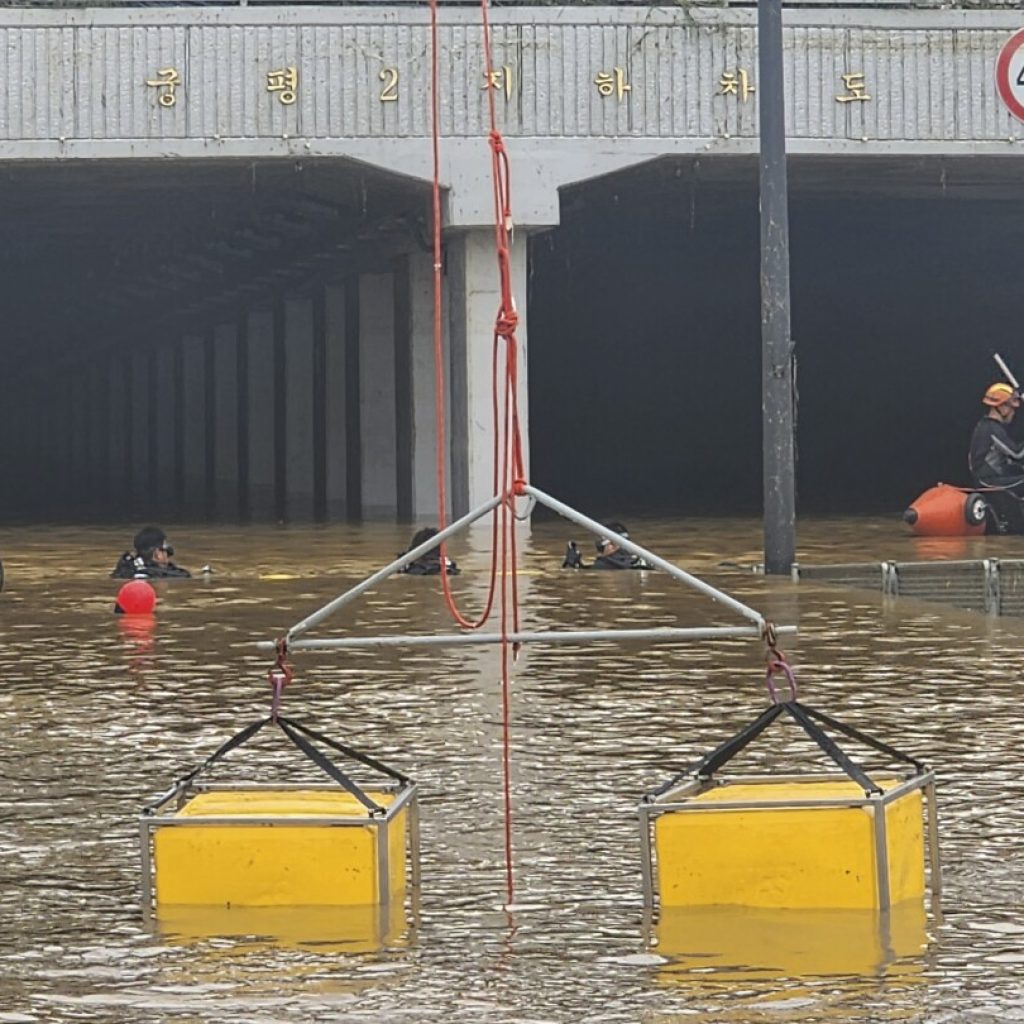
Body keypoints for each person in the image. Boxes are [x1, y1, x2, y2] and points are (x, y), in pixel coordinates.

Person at [969, 383, 1024, 489]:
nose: (1013, 413)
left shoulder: (988, 426)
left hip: (996, 477)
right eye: (1011, 408)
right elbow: (1016, 453)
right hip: (988, 481)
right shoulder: (991, 428)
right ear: (1001, 406)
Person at [110, 525, 192, 579]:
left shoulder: (126, 569)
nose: (167, 556)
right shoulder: (160, 576)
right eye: (166, 551)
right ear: (157, 554)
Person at [562, 521, 651, 570]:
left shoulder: (606, 564)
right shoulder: (643, 558)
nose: (601, 553)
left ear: (612, 545)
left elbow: (589, 573)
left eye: (601, 548)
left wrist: (573, 565)